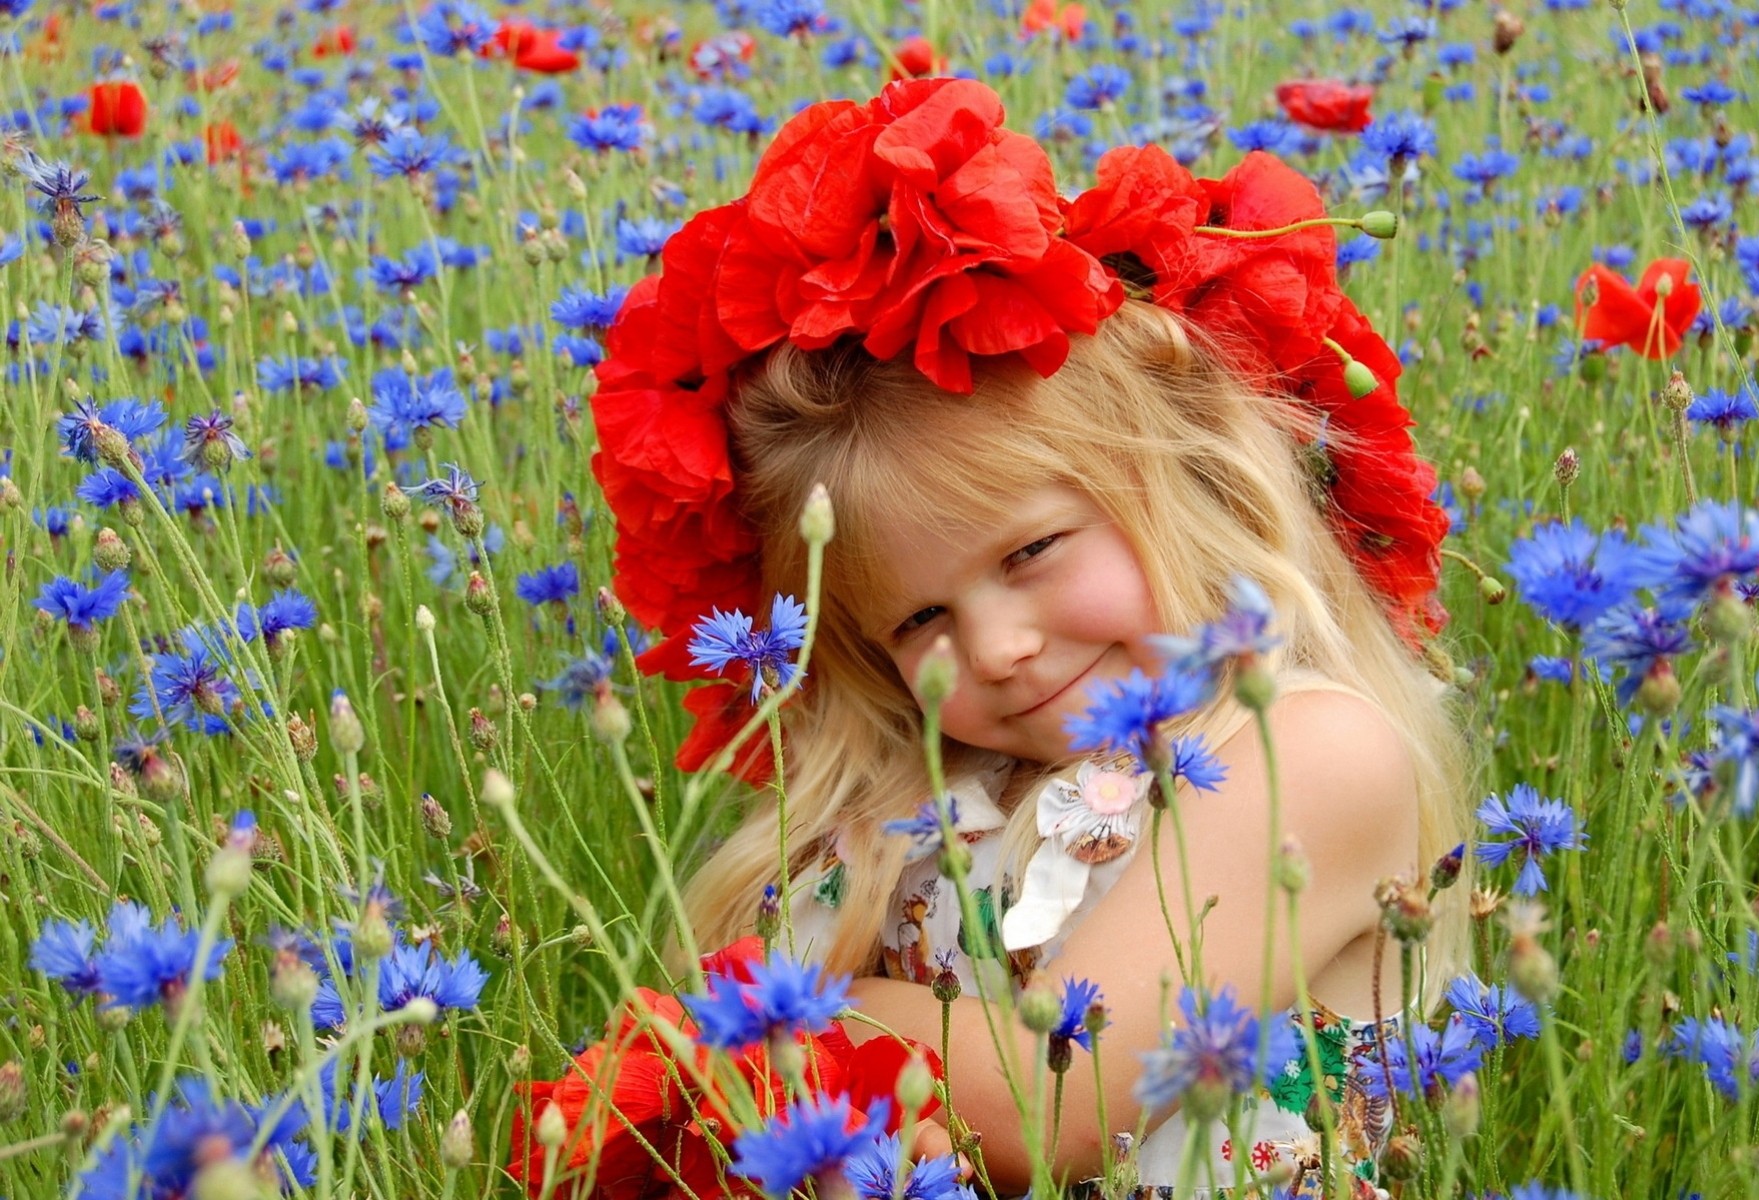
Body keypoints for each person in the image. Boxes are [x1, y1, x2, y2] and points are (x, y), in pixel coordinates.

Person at [587, 77, 1471, 1198]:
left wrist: (753, 1015)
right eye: (917, 619)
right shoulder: (931, 803)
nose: (994, 646)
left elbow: (1047, 1097)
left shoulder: (1308, 752)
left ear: (1186, 474)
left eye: (1030, 552)